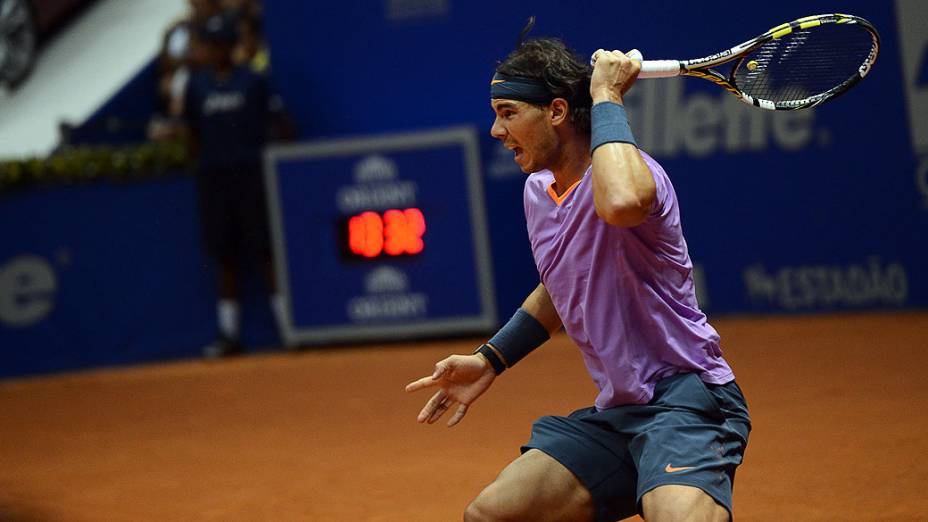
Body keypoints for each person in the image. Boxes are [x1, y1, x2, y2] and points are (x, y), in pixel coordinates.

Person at [406, 35, 750, 522]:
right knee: (492, 515)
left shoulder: (633, 176)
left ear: (558, 111)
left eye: (508, 112)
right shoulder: (537, 192)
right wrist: (491, 360)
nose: (495, 130)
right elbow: (564, 285)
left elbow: (622, 203)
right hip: (618, 414)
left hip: (687, 399)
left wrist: (607, 97)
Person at [180, 13, 292, 357]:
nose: (217, 51)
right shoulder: (196, 86)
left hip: (252, 179)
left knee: (265, 253)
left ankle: (289, 331)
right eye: (211, 45)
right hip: (215, 181)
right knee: (224, 257)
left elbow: (281, 125)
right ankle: (229, 336)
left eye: (222, 44)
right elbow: (192, 133)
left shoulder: (254, 81)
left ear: (232, 46)